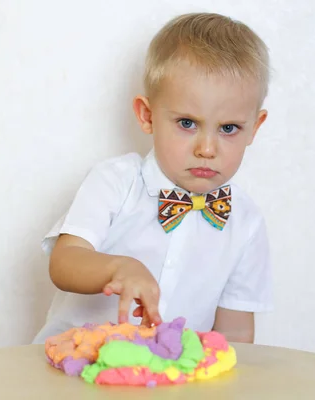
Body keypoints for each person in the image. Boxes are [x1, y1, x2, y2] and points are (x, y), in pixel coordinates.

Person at [32, 12, 273, 345]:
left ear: (254, 128)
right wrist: (118, 268)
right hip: (74, 369)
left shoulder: (245, 222)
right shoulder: (115, 182)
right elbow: (64, 262)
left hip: (169, 383)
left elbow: (234, 332)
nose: (207, 148)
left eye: (228, 128)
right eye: (187, 123)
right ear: (147, 116)